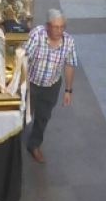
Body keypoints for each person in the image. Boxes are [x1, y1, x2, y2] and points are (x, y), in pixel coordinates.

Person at [24, 10, 77, 164]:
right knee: (23, 115)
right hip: (31, 83)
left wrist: (68, 90)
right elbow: (24, 57)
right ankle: (13, 145)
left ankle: (34, 145)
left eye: (62, 27)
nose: (59, 31)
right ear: (48, 26)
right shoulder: (37, 35)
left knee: (43, 117)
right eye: (55, 27)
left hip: (51, 86)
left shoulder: (69, 42)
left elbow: (69, 65)